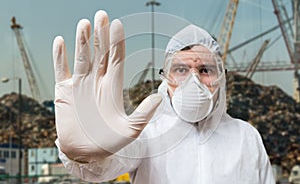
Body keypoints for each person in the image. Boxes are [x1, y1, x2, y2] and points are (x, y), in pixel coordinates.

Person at [52, 10, 275, 184]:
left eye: (205, 70)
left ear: (221, 79)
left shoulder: (246, 137)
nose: (193, 80)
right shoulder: (146, 134)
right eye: (181, 70)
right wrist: (80, 153)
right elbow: (104, 167)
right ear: (165, 77)